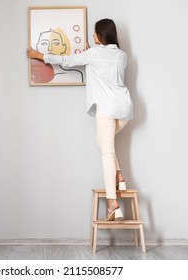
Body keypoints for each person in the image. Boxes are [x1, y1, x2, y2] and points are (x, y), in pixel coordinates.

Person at [27, 18, 133, 221]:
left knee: (106, 151)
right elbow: (103, 68)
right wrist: (89, 54)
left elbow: (66, 61)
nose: (92, 36)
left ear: (100, 35)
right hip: (125, 108)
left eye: (94, 33)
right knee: (102, 143)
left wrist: (38, 55)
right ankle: (119, 175)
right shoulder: (122, 55)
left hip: (107, 109)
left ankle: (112, 202)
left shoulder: (94, 54)